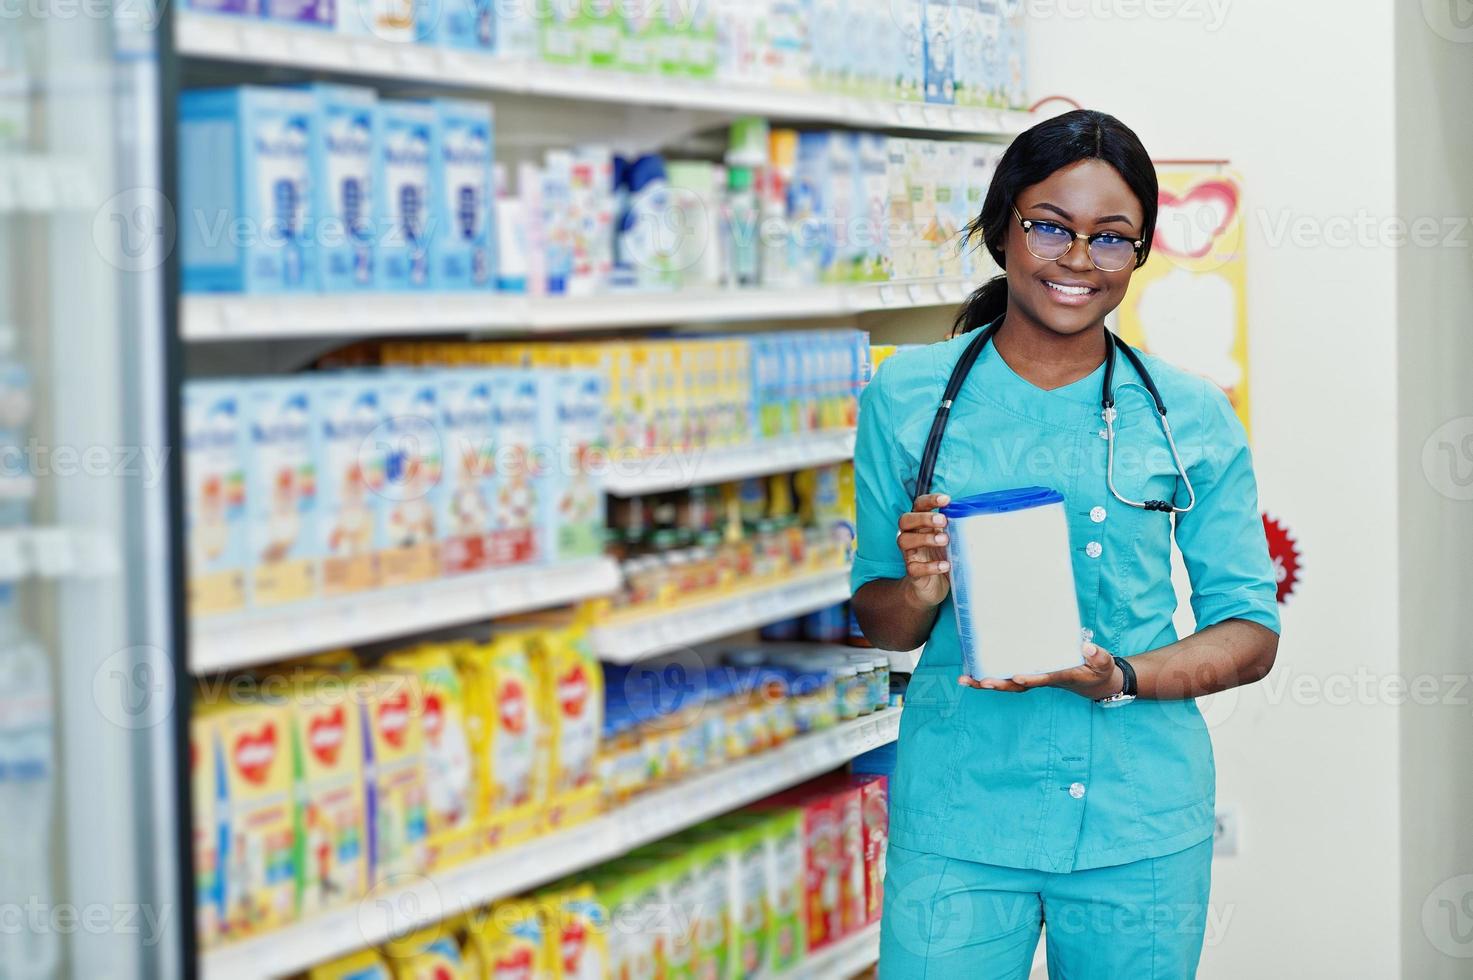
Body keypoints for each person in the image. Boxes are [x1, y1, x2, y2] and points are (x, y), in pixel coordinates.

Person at [850, 109, 1281, 978]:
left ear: (1140, 253)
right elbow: (881, 621)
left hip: (1138, 820)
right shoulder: (906, 398)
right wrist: (922, 589)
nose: (1078, 260)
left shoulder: (1189, 414)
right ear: (1003, 226)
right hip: (961, 818)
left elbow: (1249, 629)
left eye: (1110, 238)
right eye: (1049, 226)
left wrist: (1120, 677)